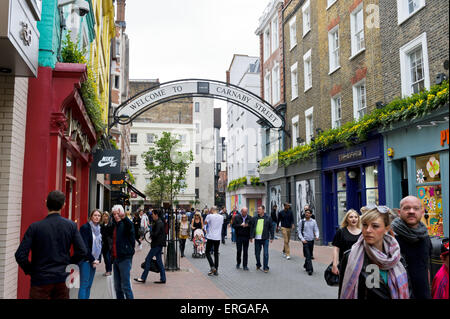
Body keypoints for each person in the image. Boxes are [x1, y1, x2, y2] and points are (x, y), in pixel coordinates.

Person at [15, 190, 87, 299]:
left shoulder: (35, 227)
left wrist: (31, 270)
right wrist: (68, 264)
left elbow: (20, 255)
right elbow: (82, 251)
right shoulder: (71, 226)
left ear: (46, 203)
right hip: (62, 280)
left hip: (40, 280)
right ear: (63, 205)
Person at [339, 205, 410, 299]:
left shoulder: (397, 258)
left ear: (386, 229)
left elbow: (409, 291)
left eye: (375, 226)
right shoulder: (350, 256)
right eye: (365, 225)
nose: (368, 230)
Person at [391, 195, 432, 299]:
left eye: (416, 208)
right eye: (407, 208)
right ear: (399, 213)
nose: (411, 211)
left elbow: (425, 267)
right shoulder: (391, 238)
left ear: (422, 212)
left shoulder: (425, 238)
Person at [135, 210, 167, 284]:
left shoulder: (159, 223)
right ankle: (163, 278)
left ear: (156, 215)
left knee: (148, 259)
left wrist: (151, 231)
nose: (151, 216)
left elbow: (155, 234)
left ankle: (143, 278)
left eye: (152, 214)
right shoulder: (159, 222)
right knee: (159, 262)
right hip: (158, 244)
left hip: (157, 245)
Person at [111, 204, 135, 299]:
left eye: (118, 214)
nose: (116, 216)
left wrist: (124, 217)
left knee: (125, 286)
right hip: (116, 259)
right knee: (117, 287)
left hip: (125, 259)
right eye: (114, 214)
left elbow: (130, 227)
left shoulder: (126, 224)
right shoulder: (115, 225)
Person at [78, 209, 103, 299]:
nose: (97, 217)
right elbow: (84, 247)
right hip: (86, 260)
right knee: (84, 285)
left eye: (99, 216)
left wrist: (98, 259)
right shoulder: (85, 227)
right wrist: (93, 260)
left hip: (94, 260)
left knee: (89, 285)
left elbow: (100, 245)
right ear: (91, 217)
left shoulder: (100, 229)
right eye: (95, 215)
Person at [331, 209, 362, 275]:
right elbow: (336, 249)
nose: (354, 219)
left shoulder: (362, 233)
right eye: (351, 217)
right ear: (347, 219)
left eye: (356, 217)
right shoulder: (341, 232)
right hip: (344, 264)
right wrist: (334, 264)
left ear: (358, 219)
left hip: (359, 265)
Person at [250, 206, 274, 273]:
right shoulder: (255, 218)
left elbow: (271, 227)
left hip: (265, 238)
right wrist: (251, 237)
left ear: (263, 210)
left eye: (259, 209)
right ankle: (258, 264)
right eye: (257, 209)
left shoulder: (268, 218)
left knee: (265, 253)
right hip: (257, 239)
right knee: (257, 253)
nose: (258, 210)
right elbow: (252, 227)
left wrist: (272, 237)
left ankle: (265, 267)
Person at [298, 208, 319, 275]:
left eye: (308, 213)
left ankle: (306, 264)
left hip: (311, 240)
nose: (306, 214)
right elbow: (299, 232)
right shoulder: (302, 221)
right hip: (305, 241)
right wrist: (302, 239)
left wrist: (317, 236)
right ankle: (310, 269)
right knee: (308, 255)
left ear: (311, 214)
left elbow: (316, 230)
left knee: (309, 255)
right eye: (306, 212)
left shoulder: (313, 221)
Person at [204, 206, 223, 276]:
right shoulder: (221, 217)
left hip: (211, 236)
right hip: (218, 237)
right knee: (216, 253)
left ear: (212, 210)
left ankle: (212, 266)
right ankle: (216, 270)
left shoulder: (209, 216)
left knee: (207, 252)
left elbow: (205, 223)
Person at [100, 211, 114, 276]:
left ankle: (109, 270)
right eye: (104, 216)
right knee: (105, 258)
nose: (105, 217)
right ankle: (107, 270)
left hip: (109, 243)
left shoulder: (111, 224)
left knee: (108, 257)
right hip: (103, 243)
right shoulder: (101, 225)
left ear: (108, 217)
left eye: (106, 216)